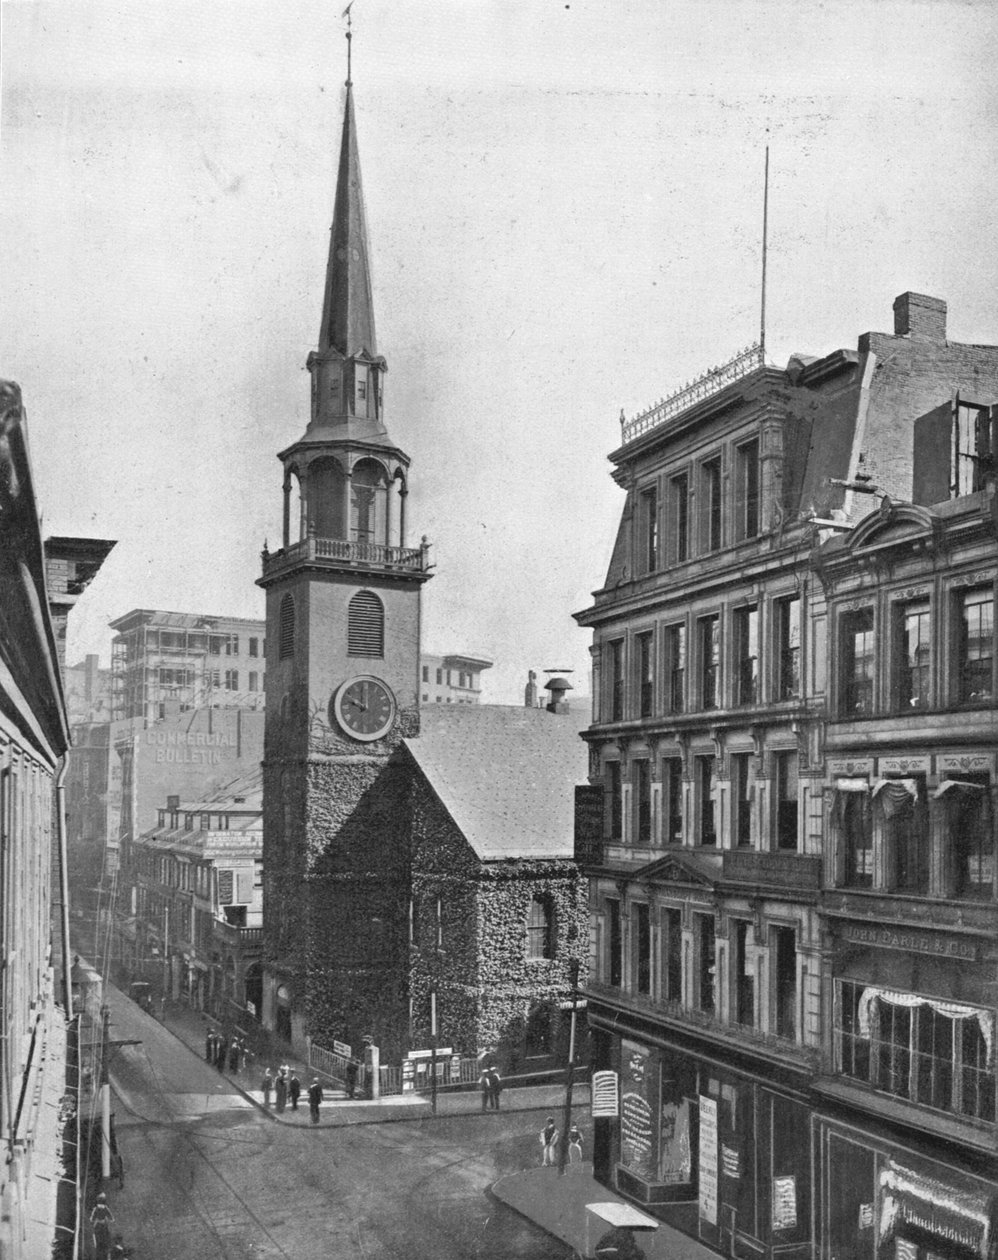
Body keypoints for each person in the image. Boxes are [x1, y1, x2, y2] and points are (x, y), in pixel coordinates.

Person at [90, 1191, 115, 1260]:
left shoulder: (96, 1209)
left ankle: (98, 1253)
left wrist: (94, 1219)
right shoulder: (106, 1208)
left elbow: (91, 1219)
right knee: (106, 1238)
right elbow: (112, 1218)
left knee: (97, 1242)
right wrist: (110, 1218)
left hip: (97, 1225)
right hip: (104, 1224)